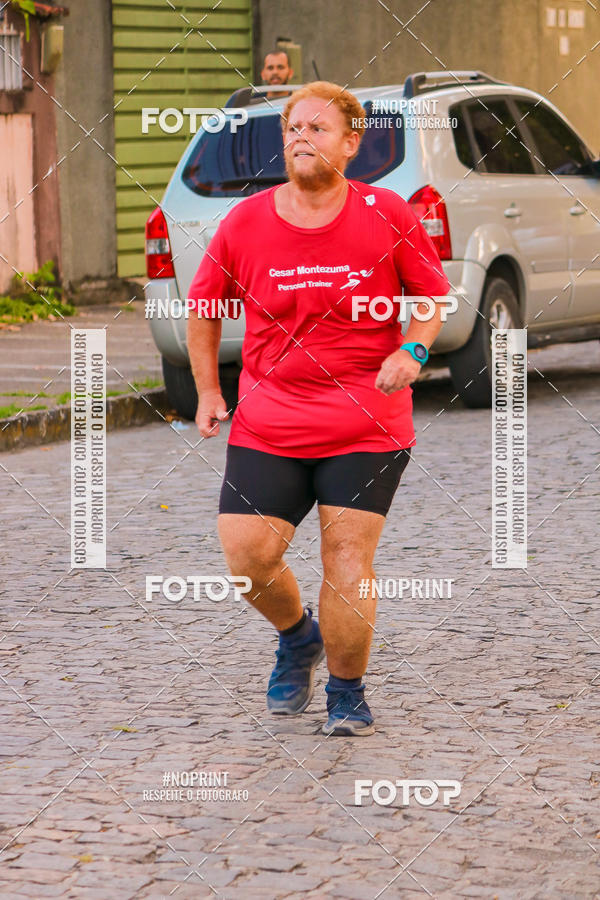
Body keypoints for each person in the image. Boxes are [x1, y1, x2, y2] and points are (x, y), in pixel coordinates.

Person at [187, 81, 450, 736]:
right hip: (270, 418)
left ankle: (346, 690)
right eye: (292, 129)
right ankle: (297, 635)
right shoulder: (246, 220)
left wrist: (413, 351)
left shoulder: (388, 212)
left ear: (352, 143)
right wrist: (210, 391)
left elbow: (431, 297)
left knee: (347, 559)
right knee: (247, 557)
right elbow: (202, 305)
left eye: (317, 128)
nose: (301, 138)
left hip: (366, 419)